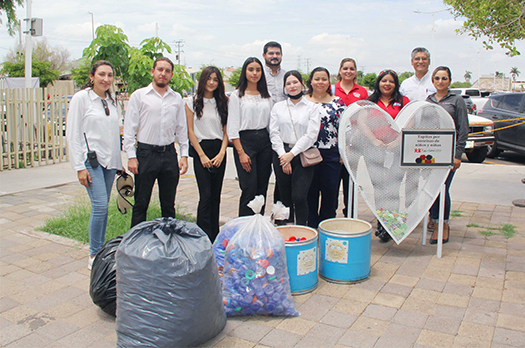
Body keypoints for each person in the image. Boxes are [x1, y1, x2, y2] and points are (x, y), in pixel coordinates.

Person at [66, 60, 122, 269]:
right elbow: (73, 133)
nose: (106, 79)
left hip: (109, 162)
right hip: (91, 162)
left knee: (104, 207)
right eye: (101, 74)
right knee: (99, 206)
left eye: (109, 75)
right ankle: (94, 254)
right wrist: (79, 167)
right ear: (92, 77)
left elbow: (114, 133)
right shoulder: (82, 99)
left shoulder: (111, 100)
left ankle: (100, 251)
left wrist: (119, 163)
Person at [124, 57, 189, 228]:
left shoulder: (176, 98)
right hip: (146, 154)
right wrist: (131, 156)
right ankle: (135, 243)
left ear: (171, 75)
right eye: (160, 70)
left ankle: (169, 241)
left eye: (167, 71)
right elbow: (129, 128)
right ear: (153, 72)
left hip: (168, 154)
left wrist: (184, 155)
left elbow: (182, 128)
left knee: (168, 204)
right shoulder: (139, 96)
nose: (163, 74)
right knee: (141, 202)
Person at [269, 70, 321, 225]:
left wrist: (291, 154)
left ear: (302, 83)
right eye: (288, 83)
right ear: (284, 87)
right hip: (281, 155)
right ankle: (284, 231)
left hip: (303, 155)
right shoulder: (278, 107)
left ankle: (301, 230)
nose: (292, 86)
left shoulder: (312, 107)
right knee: (284, 197)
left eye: (295, 82)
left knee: (299, 196)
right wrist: (283, 156)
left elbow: (311, 135)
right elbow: (274, 133)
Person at [185, 66, 228, 242]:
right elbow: (190, 131)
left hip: (219, 150)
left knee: (216, 195)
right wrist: (201, 155)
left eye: (215, 79)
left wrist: (222, 152)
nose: (212, 82)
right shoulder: (191, 101)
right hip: (200, 150)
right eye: (208, 79)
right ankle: (202, 237)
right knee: (206, 195)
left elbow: (226, 131)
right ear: (202, 80)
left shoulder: (224, 102)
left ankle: (215, 236)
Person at [366, 69, 410, 242]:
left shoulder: (403, 101)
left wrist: (397, 142)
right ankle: (382, 224)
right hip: (374, 150)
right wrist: (374, 140)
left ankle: (393, 225)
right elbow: (362, 122)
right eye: (384, 80)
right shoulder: (370, 101)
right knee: (378, 188)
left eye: (391, 81)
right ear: (379, 83)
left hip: (396, 150)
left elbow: (410, 122)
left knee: (392, 189)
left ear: (396, 84)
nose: (387, 84)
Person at [426, 66, 468, 244]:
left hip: (449, 154)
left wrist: (458, 154)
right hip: (430, 154)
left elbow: (463, 129)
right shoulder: (429, 100)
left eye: (444, 78)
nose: (440, 82)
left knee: (443, 189)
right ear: (433, 81)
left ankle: (442, 224)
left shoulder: (457, 100)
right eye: (437, 78)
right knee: (433, 190)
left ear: (449, 80)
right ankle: (435, 221)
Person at [227, 57, 273, 216]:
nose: (254, 73)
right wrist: (241, 152)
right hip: (245, 142)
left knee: (262, 188)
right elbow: (232, 127)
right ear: (244, 72)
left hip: (265, 141)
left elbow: (271, 124)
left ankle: (259, 226)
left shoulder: (267, 95)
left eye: (258, 70)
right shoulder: (236, 95)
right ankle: (244, 228)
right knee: (248, 187)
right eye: (251, 69)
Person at [305, 67, 346, 228]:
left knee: (330, 191)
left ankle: (327, 225)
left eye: (324, 79)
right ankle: (311, 225)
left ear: (329, 81)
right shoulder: (303, 101)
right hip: (308, 152)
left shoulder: (338, 102)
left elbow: (344, 128)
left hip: (331, 153)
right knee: (310, 191)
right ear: (311, 81)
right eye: (317, 78)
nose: (320, 82)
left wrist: (343, 153)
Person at [333, 58, 368, 218]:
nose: (348, 71)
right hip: (333, 143)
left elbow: (364, 118)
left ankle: (350, 217)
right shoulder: (332, 89)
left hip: (355, 143)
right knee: (332, 184)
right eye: (345, 68)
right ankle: (329, 216)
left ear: (355, 71)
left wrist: (351, 142)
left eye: (352, 68)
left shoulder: (362, 91)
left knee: (351, 184)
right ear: (340, 70)